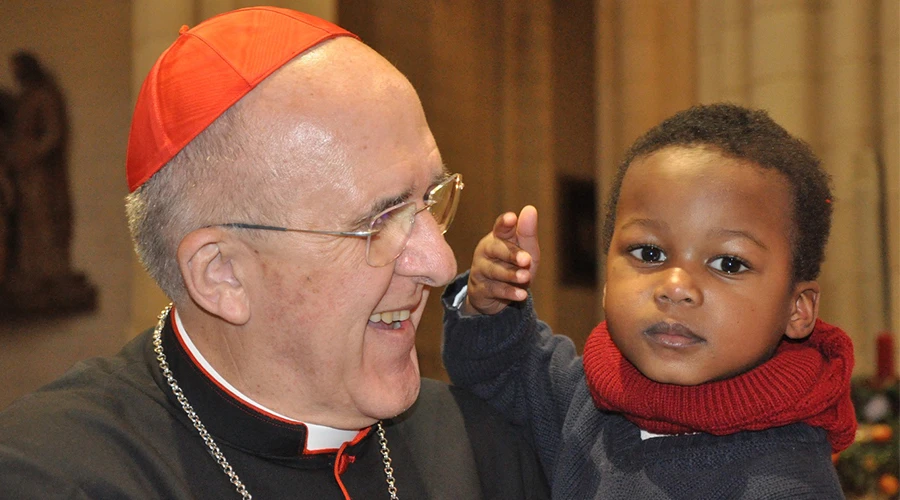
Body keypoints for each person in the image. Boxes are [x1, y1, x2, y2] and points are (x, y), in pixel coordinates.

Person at [0, 7, 549, 499]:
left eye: (430, 197)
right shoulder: (57, 477)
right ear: (222, 275)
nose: (441, 262)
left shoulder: (483, 450)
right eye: (379, 220)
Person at [442, 103, 856, 499]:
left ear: (797, 309)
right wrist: (490, 305)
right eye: (649, 253)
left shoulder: (790, 481)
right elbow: (500, 370)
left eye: (728, 263)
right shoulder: (585, 397)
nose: (675, 286)